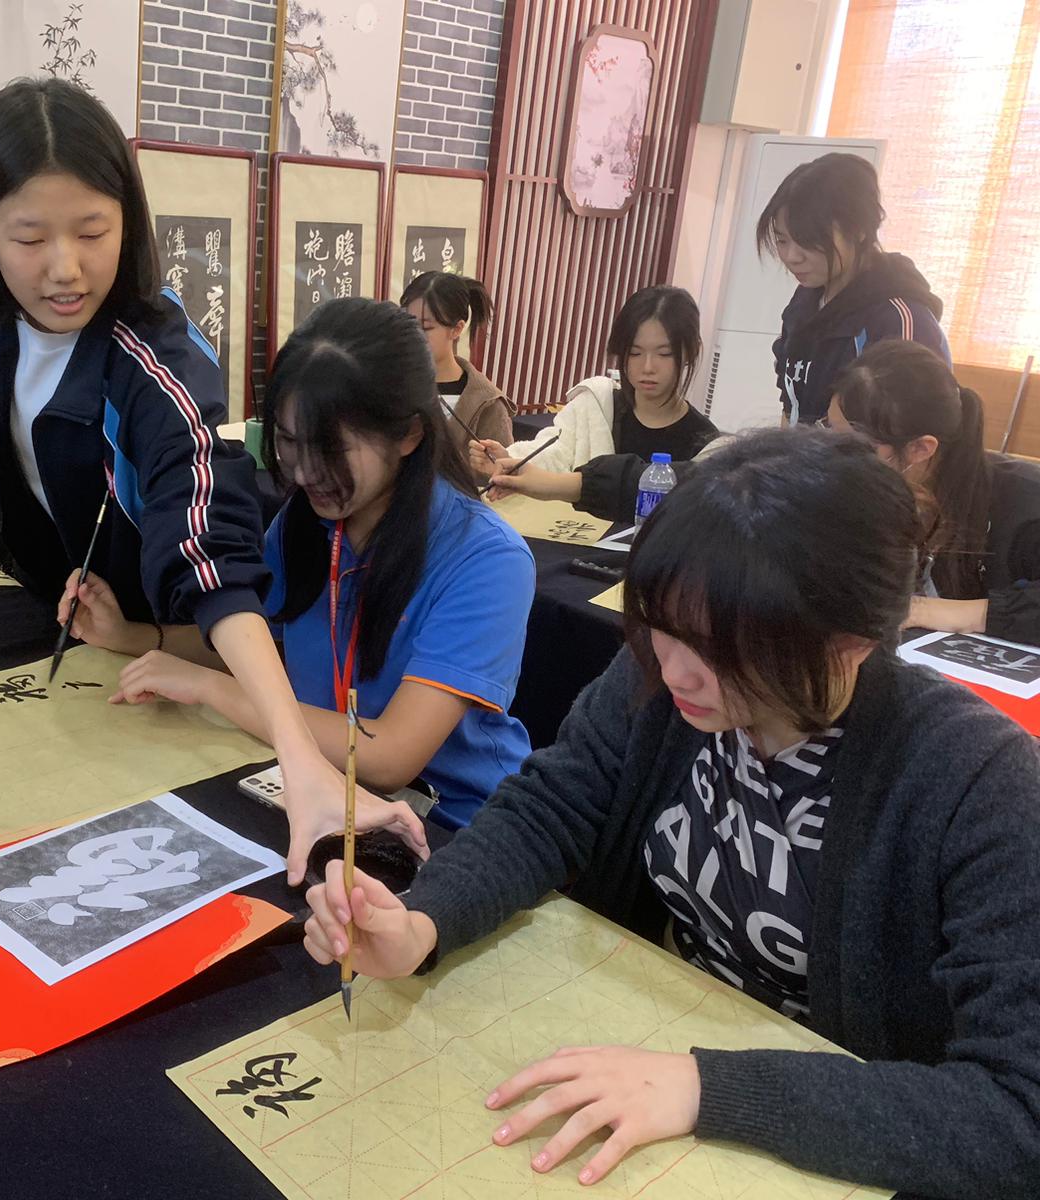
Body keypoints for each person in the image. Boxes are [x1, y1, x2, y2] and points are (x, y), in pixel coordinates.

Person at [303, 429, 1040, 1195]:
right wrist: (424, 922)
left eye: (719, 647)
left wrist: (708, 1089)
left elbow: (1020, 1113)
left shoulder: (976, 778)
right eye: (659, 624)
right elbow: (553, 805)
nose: (675, 668)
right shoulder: (663, 676)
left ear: (849, 645)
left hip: (830, 1128)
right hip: (657, 1040)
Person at [0, 77, 423, 881]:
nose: (66, 270)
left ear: (128, 218)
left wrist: (299, 759)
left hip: (154, 643)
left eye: (93, 231)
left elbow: (210, 551)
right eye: (30, 238)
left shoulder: (157, 363)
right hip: (57, 617)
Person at [78, 299, 536, 829]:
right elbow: (260, 647)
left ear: (409, 435)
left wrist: (209, 688)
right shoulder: (307, 523)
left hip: (451, 822)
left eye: (332, 449)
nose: (303, 472)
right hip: (316, 780)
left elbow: (389, 757)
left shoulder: (486, 559)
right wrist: (129, 636)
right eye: (289, 442)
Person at [827, 339, 1040, 644]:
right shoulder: (862, 491)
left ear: (921, 448)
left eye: (855, 445)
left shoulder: (1023, 502)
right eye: (829, 431)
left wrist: (929, 611)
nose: (835, 456)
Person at [760, 152, 949, 425]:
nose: (791, 257)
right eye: (782, 240)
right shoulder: (805, 301)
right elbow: (791, 407)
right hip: (806, 453)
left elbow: (903, 435)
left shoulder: (899, 321)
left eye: (808, 241)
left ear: (859, 229)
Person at [469, 286, 716, 494]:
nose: (648, 367)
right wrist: (512, 460)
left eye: (664, 354)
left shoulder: (705, 444)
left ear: (690, 351)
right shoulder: (599, 405)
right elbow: (558, 453)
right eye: (635, 353)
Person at [398, 271, 513, 476]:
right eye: (408, 324)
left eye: (425, 327)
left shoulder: (487, 404)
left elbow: (503, 476)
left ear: (457, 329)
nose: (413, 335)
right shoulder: (390, 385)